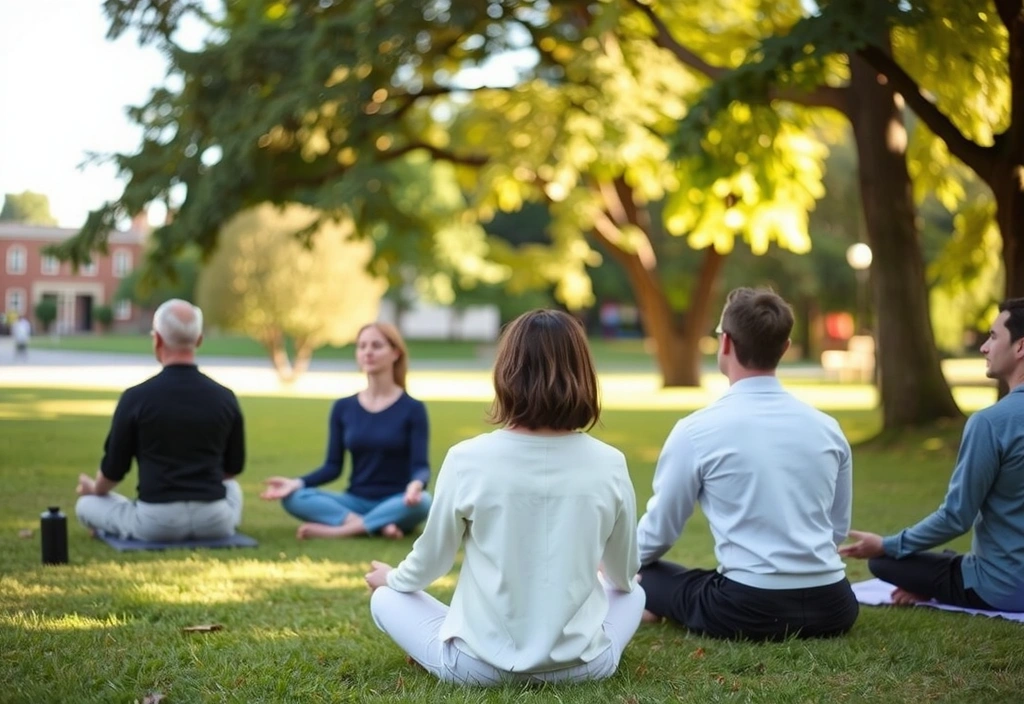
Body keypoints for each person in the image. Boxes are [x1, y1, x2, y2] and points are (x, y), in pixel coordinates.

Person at [365, 309, 644, 686]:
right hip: (584, 666)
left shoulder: (467, 458)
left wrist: (391, 579)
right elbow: (623, 577)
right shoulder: (610, 463)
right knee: (636, 593)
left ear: (506, 372)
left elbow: (431, 562)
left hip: (476, 668)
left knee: (385, 599)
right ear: (583, 375)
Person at [635, 287, 858, 641]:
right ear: (784, 348)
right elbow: (835, 528)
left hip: (748, 610)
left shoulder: (695, 430)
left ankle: (639, 596)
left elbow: (659, 533)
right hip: (834, 605)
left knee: (645, 575)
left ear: (725, 343)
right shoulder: (828, 427)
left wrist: (615, 569)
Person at [840, 298, 1024, 612]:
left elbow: (956, 517)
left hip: (1003, 589)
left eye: (993, 337)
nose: (983, 347)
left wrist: (885, 544)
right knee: (947, 562)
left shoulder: (990, 423)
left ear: (1020, 347)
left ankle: (938, 580)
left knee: (882, 564)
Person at [75, 299, 245, 541]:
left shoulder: (135, 398)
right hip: (215, 521)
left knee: (86, 505)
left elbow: (113, 470)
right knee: (233, 490)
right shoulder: (225, 398)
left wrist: (94, 491)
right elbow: (233, 469)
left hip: (156, 524)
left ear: (157, 339)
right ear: (199, 340)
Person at [260, 322, 431, 540]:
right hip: (354, 500)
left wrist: (415, 486)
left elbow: (420, 467)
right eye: (362, 346)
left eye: (376, 346)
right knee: (294, 497)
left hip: (397, 500)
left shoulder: (413, 409)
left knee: (425, 501)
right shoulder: (343, 407)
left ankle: (341, 530)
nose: (367, 352)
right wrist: (296, 483)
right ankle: (376, 524)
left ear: (395, 353)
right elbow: (333, 466)